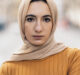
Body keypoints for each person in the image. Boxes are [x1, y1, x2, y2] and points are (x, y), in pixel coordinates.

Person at [0, 0, 80, 75]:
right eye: (30, 19)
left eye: (46, 19)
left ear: (54, 23)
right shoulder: (8, 69)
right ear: (21, 22)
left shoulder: (73, 58)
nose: (38, 28)